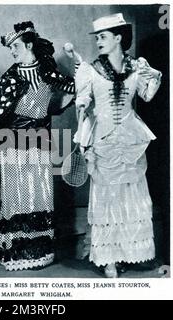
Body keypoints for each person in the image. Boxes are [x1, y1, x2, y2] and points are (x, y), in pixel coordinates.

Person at [0, 21, 81, 271]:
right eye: (11, 47)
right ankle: (16, 253)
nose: (12, 51)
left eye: (16, 46)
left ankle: (39, 251)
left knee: (39, 194)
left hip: (41, 141)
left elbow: (76, 86)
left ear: (29, 45)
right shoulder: (12, 76)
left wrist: (76, 65)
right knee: (17, 196)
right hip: (13, 142)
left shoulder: (49, 71)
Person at [74, 13, 162, 277]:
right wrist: (82, 139)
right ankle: (109, 258)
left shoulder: (137, 67)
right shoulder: (90, 70)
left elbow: (147, 96)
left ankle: (130, 253)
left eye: (103, 37)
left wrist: (152, 74)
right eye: (98, 37)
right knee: (107, 198)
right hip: (103, 137)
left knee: (131, 195)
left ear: (118, 38)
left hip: (131, 138)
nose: (99, 42)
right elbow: (83, 106)